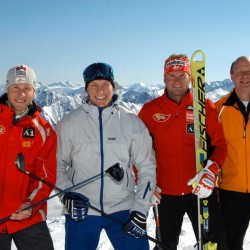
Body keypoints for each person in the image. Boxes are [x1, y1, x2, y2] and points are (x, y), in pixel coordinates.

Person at [56, 62, 156, 250]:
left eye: (105, 85)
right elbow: (57, 164)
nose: (100, 90)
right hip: (82, 208)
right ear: (86, 90)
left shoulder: (131, 122)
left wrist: (140, 210)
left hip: (123, 208)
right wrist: (67, 195)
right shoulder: (68, 124)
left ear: (113, 86)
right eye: (94, 85)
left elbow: (147, 167)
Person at [139, 54, 228, 250]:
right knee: (165, 245)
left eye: (182, 75)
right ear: (164, 79)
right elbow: (136, 152)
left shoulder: (205, 108)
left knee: (215, 245)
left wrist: (211, 171)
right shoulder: (149, 111)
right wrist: (145, 183)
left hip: (201, 190)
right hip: (165, 194)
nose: (176, 81)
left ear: (191, 78)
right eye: (171, 76)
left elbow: (221, 146)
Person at [0, 65, 57, 249]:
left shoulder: (44, 131)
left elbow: (45, 175)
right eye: (15, 88)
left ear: (34, 91)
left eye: (27, 88)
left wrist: (31, 205)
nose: (21, 94)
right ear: (7, 89)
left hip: (26, 215)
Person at [215, 56, 250, 250]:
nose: (245, 75)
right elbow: (210, 149)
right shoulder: (218, 109)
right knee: (230, 243)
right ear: (231, 76)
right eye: (240, 71)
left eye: (249, 71)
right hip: (231, 191)